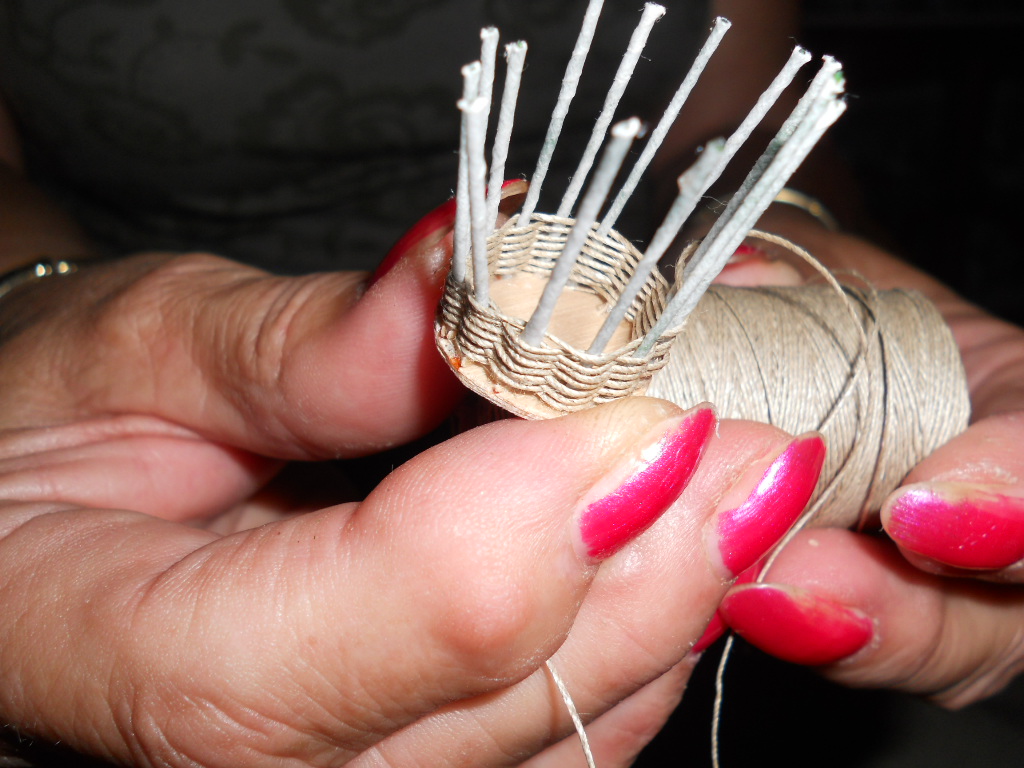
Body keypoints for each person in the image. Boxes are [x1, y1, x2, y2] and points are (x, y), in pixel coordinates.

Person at [0, 2, 1022, 767]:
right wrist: (32, 301)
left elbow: (743, 114)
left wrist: (783, 226)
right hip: (165, 385)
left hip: (636, 290)